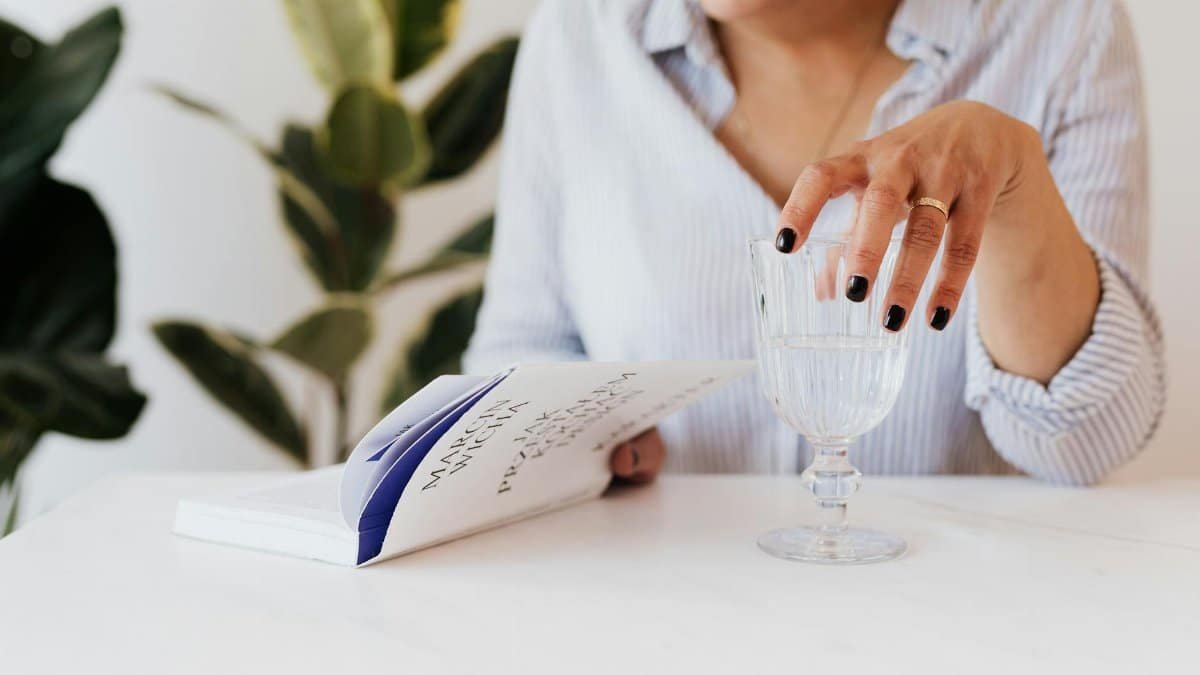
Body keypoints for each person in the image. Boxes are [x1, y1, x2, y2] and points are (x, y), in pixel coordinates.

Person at [463, 0, 1166, 486]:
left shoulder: (1060, 30)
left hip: (951, 625)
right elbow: (516, 348)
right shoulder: (580, 34)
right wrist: (577, 436)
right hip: (665, 611)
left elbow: (1085, 445)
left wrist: (1015, 192)